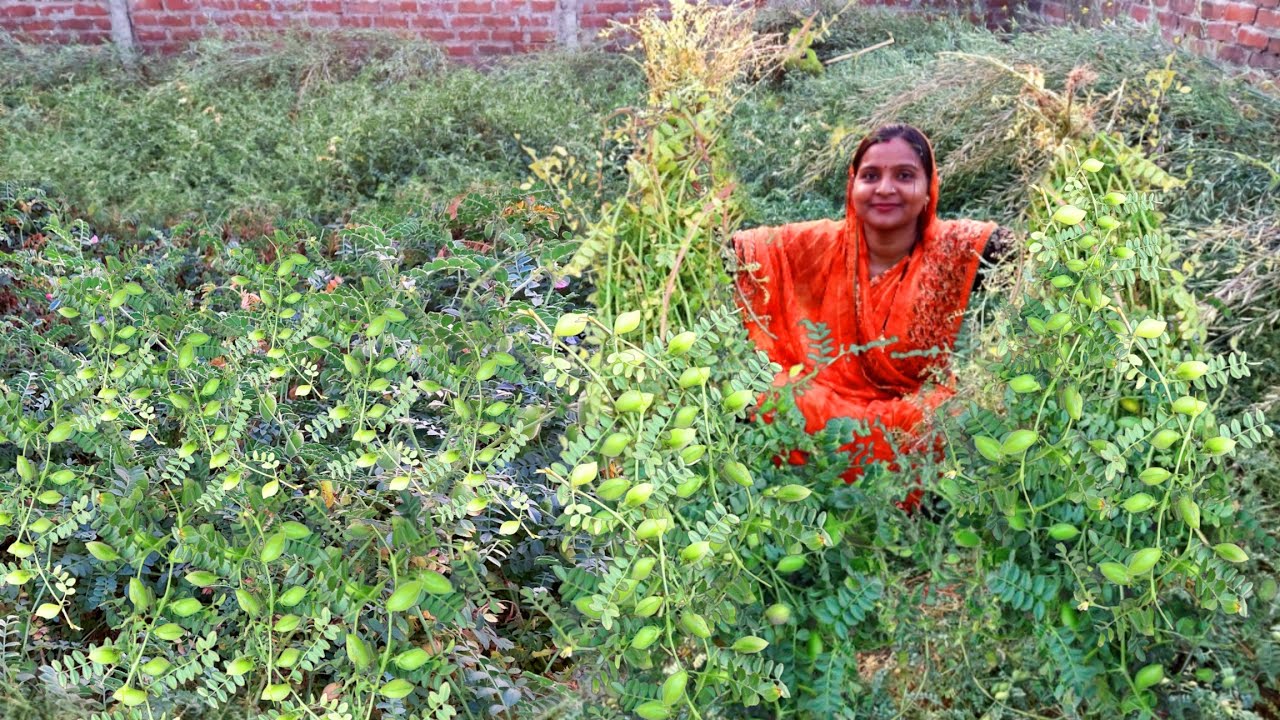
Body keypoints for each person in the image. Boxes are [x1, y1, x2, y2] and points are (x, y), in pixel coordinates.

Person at [733, 123, 1010, 500]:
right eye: (870, 176)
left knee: (953, 417)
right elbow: (741, 252)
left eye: (904, 175)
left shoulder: (955, 247)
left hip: (911, 411)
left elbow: (1030, 257)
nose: (884, 188)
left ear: (929, 190)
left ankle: (879, 497)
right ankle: (807, 492)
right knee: (766, 396)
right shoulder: (818, 242)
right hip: (820, 397)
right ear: (852, 187)